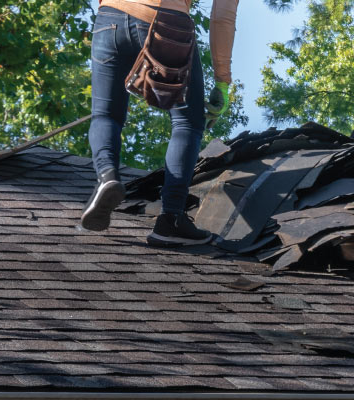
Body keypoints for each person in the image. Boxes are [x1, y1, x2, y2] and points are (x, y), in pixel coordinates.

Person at [81, 0, 240, 245]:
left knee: (105, 114)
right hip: (167, 20)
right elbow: (223, 16)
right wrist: (222, 80)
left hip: (109, 17)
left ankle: (107, 177)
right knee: (188, 121)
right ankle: (171, 219)